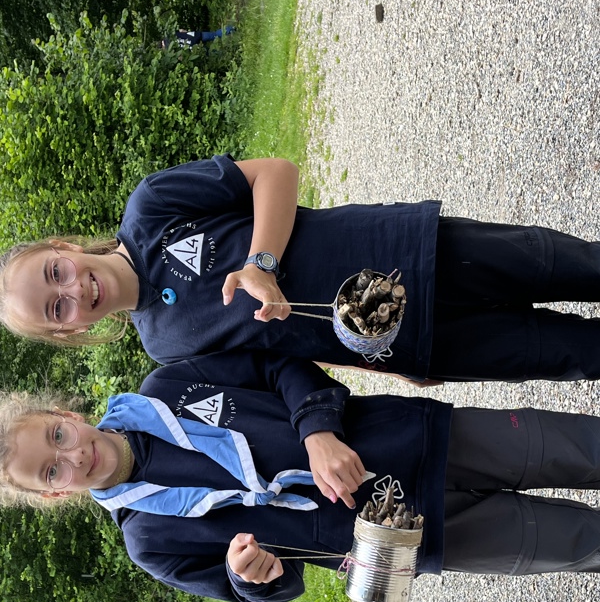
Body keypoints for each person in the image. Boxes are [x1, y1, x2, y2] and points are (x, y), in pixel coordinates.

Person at [1, 350, 600, 602]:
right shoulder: (151, 541)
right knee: (571, 544)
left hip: (412, 440)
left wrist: (317, 430)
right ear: (55, 493)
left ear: (65, 416)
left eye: (58, 438)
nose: (74, 457)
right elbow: (270, 589)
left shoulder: (165, 388)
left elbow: (277, 363)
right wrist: (253, 578)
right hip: (401, 540)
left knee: (575, 448)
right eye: (53, 471)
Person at [2, 155, 600, 381]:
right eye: (59, 307)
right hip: (399, 343)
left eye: (56, 272)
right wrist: (402, 372)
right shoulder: (167, 347)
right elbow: (283, 363)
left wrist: (260, 263)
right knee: (559, 353)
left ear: (64, 248)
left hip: (402, 249)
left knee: (561, 265)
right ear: (71, 331)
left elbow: (276, 173)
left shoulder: (151, 207)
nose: (75, 289)